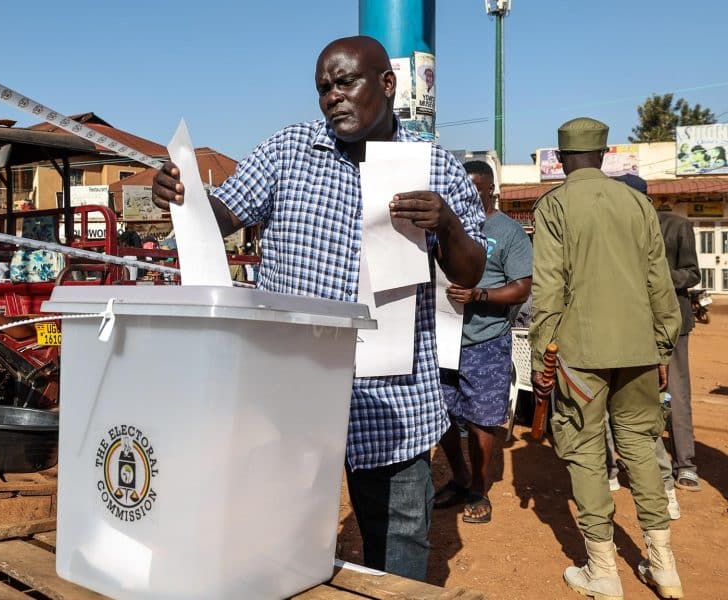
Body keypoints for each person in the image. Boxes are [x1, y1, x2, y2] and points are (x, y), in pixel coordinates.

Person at [152, 36, 487, 581]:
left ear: (387, 84)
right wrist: (183, 194)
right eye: (324, 88)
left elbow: (469, 272)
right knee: (277, 535)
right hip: (292, 389)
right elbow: (222, 216)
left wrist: (446, 223)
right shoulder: (288, 150)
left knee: (399, 541)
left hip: (394, 397)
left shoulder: (435, 167)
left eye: (345, 82)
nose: (333, 96)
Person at [531, 117, 683, 600]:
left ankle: (603, 571)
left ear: (561, 159)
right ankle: (664, 566)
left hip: (580, 353)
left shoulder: (554, 205)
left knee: (584, 452)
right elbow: (659, 283)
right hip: (639, 347)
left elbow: (548, 289)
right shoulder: (638, 203)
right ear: (603, 155)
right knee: (641, 446)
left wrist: (540, 360)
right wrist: (663, 346)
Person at [434, 160, 531, 524]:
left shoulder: (509, 232)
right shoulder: (444, 227)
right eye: (465, 188)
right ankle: (459, 476)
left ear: (491, 190)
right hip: (442, 337)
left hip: (485, 340)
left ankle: (478, 487)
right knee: (440, 413)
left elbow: (521, 288)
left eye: (477, 189)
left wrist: (479, 295)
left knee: (481, 420)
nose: (470, 195)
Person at [619, 175, 702, 493]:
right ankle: (639, 462)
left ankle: (686, 464)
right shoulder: (618, 230)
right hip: (631, 323)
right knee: (633, 395)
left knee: (676, 393)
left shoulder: (677, 226)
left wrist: (658, 275)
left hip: (673, 323)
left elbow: (692, 274)